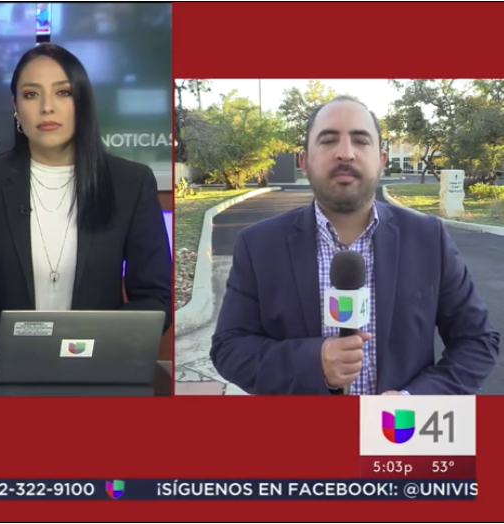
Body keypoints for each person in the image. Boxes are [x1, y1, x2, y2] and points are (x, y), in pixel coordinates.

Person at [210, 95, 500, 395]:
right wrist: (314, 362)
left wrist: (414, 402)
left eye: (361, 140)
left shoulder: (428, 238)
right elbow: (229, 348)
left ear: (382, 161)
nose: (345, 153)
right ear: (304, 162)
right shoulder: (259, 246)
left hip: (398, 435)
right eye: (328, 140)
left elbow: (477, 341)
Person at [0, 43, 172, 358]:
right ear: (15, 107)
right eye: (31, 94)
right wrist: (14, 346)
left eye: (63, 93)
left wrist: (101, 348)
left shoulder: (131, 183)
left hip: (100, 370)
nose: (47, 107)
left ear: (83, 102)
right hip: (4, 368)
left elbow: (154, 295)